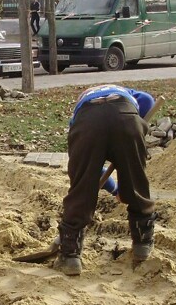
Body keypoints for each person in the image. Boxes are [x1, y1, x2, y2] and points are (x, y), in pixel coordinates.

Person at [53, 84, 157, 276]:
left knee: (81, 186)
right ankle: (142, 244)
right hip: (126, 117)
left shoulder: (79, 112)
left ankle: (70, 255)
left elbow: (90, 171)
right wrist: (118, 189)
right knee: (136, 181)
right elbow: (149, 101)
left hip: (88, 123)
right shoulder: (127, 92)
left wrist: (110, 187)